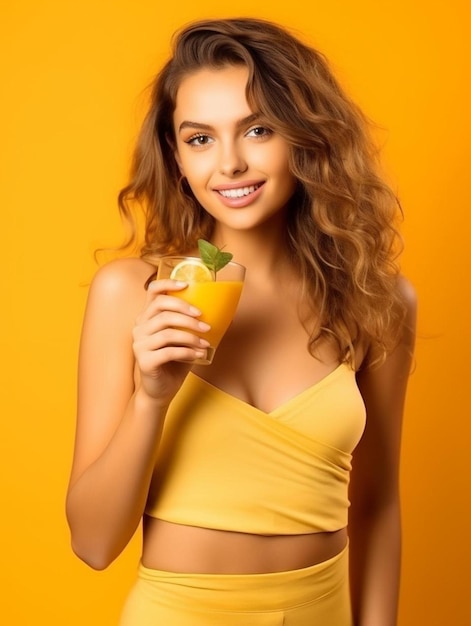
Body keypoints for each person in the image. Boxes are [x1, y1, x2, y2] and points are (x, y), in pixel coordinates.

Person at [66, 16, 417, 626]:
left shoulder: (375, 297)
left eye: (257, 129)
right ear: (175, 158)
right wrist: (151, 397)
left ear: (306, 140)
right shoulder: (136, 294)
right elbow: (93, 545)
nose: (229, 163)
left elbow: (378, 504)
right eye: (199, 138)